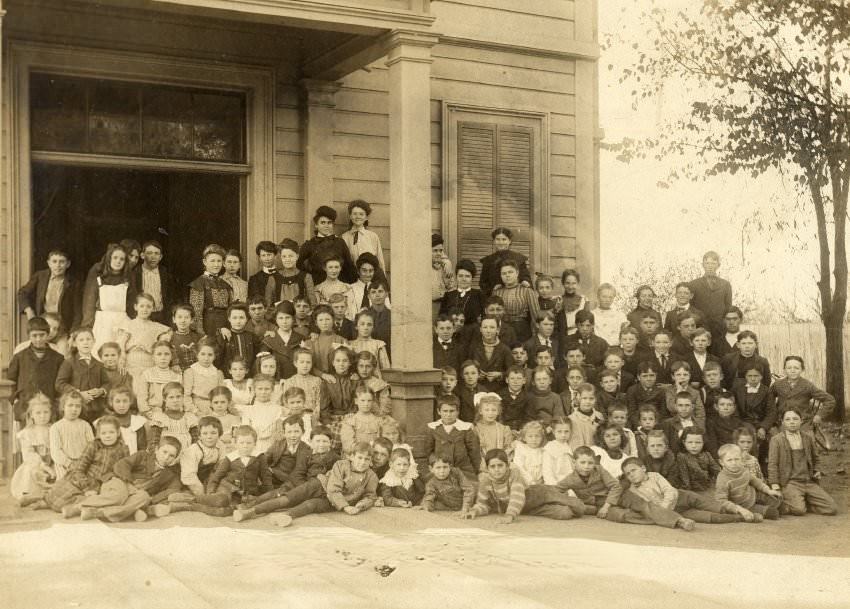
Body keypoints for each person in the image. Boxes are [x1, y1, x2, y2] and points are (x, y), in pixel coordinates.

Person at [232, 441, 378, 526]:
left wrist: (360, 505)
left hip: (333, 502)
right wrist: (346, 507)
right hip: (320, 485)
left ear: (371, 461)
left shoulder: (371, 476)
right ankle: (249, 512)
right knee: (288, 498)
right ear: (351, 457)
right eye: (359, 458)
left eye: (366, 459)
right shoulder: (341, 465)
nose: (362, 462)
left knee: (310, 506)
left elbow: (371, 496)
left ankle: (287, 516)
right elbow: (333, 488)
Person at [77, 436, 181, 523]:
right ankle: (79, 506)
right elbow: (122, 464)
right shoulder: (143, 455)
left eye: (171, 456)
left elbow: (172, 489)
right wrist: (129, 483)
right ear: (157, 449)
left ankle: (99, 512)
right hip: (120, 481)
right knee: (119, 496)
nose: (166, 457)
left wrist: (152, 499)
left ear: (175, 458)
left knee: (144, 498)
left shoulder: (170, 474)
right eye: (164, 452)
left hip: (136, 493)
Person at [41, 416, 128, 517]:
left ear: (118, 433)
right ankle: (40, 500)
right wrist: (87, 488)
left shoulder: (123, 449)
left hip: (102, 484)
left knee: (101, 499)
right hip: (83, 479)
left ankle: (73, 507)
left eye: (111, 432)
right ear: (98, 434)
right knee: (56, 499)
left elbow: (124, 468)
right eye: (104, 433)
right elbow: (79, 468)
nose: (108, 436)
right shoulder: (94, 446)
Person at [464, 449, 581, 523]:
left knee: (578, 507)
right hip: (526, 508)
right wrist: (474, 511)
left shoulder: (514, 474)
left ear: (507, 465)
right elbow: (483, 504)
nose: (497, 470)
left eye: (500, 465)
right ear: (487, 468)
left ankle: (591, 506)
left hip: (539, 494)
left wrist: (509, 515)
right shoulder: (486, 480)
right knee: (564, 513)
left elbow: (517, 497)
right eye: (492, 467)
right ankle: (586, 507)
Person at [768, 409, 838, 516]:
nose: (792, 422)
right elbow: (772, 464)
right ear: (782, 422)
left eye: (795, 419)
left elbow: (816, 458)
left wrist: (817, 470)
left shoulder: (807, 438)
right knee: (799, 510)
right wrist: (775, 485)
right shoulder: (776, 440)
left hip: (807, 481)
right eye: (788, 419)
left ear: (801, 421)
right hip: (790, 482)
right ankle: (797, 501)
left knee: (831, 508)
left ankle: (804, 500)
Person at [201, 425, 273, 515]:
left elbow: (266, 477)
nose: (245, 446)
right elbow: (217, 477)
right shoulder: (231, 458)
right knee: (221, 502)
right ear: (235, 443)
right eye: (241, 443)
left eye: (249, 443)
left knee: (230, 510)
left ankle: (197, 506)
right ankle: (192, 502)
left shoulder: (259, 457)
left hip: (248, 493)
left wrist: (269, 494)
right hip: (229, 488)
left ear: (255, 443)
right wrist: (211, 492)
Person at [8, 317, 65, 422]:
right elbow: (11, 380)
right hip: (25, 405)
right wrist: (15, 400)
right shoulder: (19, 357)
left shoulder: (58, 358)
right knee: (26, 435)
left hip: (49, 406)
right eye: (34, 336)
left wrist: (58, 401)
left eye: (42, 335)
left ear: (47, 334)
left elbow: (61, 381)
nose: (38, 339)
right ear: (29, 336)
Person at [81, 243, 134, 355]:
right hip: (103, 321)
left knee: (121, 352)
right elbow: (89, 303)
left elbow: (132, 304)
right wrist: (87, 327)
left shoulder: (127, 279)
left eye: (122, 259)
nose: (118, 261)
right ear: (109, 258)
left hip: (122, 320)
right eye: (115, 258)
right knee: (101, 351)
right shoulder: (99, 278)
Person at [18, 249, 81, 335]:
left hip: (62, 327)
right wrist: (29, 311)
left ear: (68, 264)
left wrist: (73, 332)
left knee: (62, 347)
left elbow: (77, 311)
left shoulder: (74, 283)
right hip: (42, 324)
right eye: (54, 261)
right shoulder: (40, 276)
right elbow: (22, 293)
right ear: (49, 263)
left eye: (62, 262)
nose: (58, 265)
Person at [55, 328, 110, 423]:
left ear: (94, 341)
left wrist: (101, 391)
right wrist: (79, 394)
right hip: (76, 409)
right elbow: (60, 384)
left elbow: (107, 383)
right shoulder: (69, 363)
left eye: (88, 339)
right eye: (81, 340)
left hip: (96, 411)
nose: (86, 343)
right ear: (75, 343)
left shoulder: (99, 364)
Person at [715, 444, 782, 520]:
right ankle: (764, 511)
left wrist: (768, 490)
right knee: (773, 513)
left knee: (777, 498)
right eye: (729, 460)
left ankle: (780, 507)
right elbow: (721, 500)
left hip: (755, 495)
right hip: (745, 505)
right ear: (722, 462)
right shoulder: (723, 479)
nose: (734, 463)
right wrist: (738, 509)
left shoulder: (743, 469)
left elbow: (755, 481)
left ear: (741, 459)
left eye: (737, 459)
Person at [768, 355, 834, 432]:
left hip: (803, 422)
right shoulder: (778, 384)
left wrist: (819, 415)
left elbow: (830, 400)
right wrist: (773, 414)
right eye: (789, 368)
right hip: (781, 421)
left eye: (796, 368)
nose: (793, 371)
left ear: (802, 370)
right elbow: (768, 399)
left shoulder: (807, 385)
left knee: (805, 439)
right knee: (777, 439)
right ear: (784, 370)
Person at [116, 293, 171, 380]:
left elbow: (163, 343)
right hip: (132, 360)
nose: (145, 309)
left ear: (152, 308)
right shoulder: (128, 324)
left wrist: (164, 340)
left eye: (148, 307)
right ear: (135, 307)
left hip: (149, 360)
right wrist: (122, 358)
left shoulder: (157, 327)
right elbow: (121, 344)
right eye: (142, 306)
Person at [11, 393, 55, 501]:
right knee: (32, 472)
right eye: (38, 412)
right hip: (36, 464)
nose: (42, 416)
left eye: (46, 412)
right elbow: (29, 454)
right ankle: (31, 495)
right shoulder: (27, 433)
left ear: (50, 413)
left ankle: (48, 495)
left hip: (53, 462)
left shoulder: (54, 429)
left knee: (59, 474)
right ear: (31, 414)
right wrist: (44, 466)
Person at [297, 205, 357, 285]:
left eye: (329, 223)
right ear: (316, 225)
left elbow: (349, 266)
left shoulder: (340, 242)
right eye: (323, 223)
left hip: (338, 286)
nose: (326, 226)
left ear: (333, 224)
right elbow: (299, 265)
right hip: (317, 285)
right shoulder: (309, 244)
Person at [425, 395, 479, 480]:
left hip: (463, 469)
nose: (448, 414)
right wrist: (436, 464)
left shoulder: (465, 428)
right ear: (439, 411)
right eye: (445, 411)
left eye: (452, 411)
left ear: (457, 411)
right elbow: (429, 451)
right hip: (441, 471)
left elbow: (474, 452)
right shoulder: (433, 428)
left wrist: (476, 470)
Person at [188, 244, 233, 337]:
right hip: (208, 326)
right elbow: (196, 312)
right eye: (212, 261)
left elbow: (231, 308)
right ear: (205, 261)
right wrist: (200, 333)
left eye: (219, 261)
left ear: (223, 262)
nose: (216, 265)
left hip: (226, 325)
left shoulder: (226, 284)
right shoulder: (198, 283)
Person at [176, 416, 226, 498]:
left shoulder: (220, 445)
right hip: (189, 481)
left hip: (208, 479)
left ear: (219, 434)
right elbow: (189, 476)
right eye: (205, 433)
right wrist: (204, 495)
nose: (209, 437)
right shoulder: (193, 451)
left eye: (213, 433)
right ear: (199, 436)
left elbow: (221, 466)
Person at [48, 391, 94, 480]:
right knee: (66, 482)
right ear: (63, 407)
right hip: (64, 463)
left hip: (84, 462)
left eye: (78, 406)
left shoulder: (85, 425)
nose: (74, 409)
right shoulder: (56, 427)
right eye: (70, 405)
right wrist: (69, 463)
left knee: (88, 480)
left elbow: (92, 446)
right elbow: (56, 451)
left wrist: (84, 462)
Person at [493, 260, 540, 343]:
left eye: (510, 272)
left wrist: (536, 336)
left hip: (522, 331)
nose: (507, 275)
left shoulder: (527, 291)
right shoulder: (497, 292)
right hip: (502, 332)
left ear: (517, 273)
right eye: (504, 273)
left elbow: (536, 316)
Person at [129, 241, 176, 325]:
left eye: (156, 253)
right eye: (149, 253)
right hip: (140, 316)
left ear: (161, 257)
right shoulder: (135, 273)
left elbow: (171, 297)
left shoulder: (165, 273)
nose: (153, 256)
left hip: (161, 316)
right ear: (142, 255)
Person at [478, 227, 531, 299]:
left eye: (504, 239)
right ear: (494, 241)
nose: (501, 242)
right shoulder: (488, 260)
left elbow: (525, 276)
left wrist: (525, 281)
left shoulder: (518, 258)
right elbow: (483, 282)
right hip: (496, 297)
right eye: (498, 239)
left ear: (509, 241)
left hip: (516, 297)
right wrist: (493, 289)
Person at [688, 251, 733, 336]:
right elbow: (690, 307)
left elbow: (728, 307)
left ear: (718, 265)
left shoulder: (726, 284)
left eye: (713, 263)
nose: (710, 266)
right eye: (707, 263)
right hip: (700, 328)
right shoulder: (693, 284)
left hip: (719, 329)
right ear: (703, 265)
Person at [133, 341, 181, 418]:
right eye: (159, 354)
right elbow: (142, 397)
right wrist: (147, 411)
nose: (163, 358)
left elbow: (181, 396)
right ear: (153, 357)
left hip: (172, 411)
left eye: (167, 354)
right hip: (152, 411)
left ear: (171, 356)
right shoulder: (147, 374)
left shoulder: (176, 376)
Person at [148, 382, 200, 453]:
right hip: (166, 456)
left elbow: (196, 440)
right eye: (171, 397)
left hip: (187, 455)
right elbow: (154, 442)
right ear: (165, 399)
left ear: (183, 397)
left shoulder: (189, 418)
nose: (175, 400)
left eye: (178, 396)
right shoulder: (160, 418)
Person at [265, 414, 311, 490]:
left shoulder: (306, 449)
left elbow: (301, 472)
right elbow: (265, 459)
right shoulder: (278, 444)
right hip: (274, 476)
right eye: (289, 432)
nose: (293, 435)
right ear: (284, 433)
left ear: (303, 432)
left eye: (296, 431)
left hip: (291, 481)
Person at [467, 316, 513, 392]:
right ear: (480, 329)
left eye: (492, 327)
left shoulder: (505, 349)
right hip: (477, 389)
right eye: (485, 327)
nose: (488, 331)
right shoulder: (473, 348)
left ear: (497, 330)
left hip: (499, 390)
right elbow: (467, 366)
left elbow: (511, 371)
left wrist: (500, 375)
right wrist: (476, 374)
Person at [216, 303, 264, 373]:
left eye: (241, 317)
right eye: (234, 318)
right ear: (229, 319)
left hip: (249, 375)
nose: (238, 321)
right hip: (229, 376)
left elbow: (257, 358)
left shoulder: (252, 337)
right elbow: (218, 360)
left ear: (246, 319)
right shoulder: (223, 337)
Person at [243, 375, 285, 453]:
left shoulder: (278, 409)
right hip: (253, 447)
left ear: (272, 390)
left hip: (273, 447)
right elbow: (246, 433)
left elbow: (279, 432)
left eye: (267, 389)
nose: (263, 392)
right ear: (254, 390)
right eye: (260, 389)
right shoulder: (248, 410)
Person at [473, 392, 514, 470]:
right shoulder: (476, 429)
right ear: (480, 411)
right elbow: (475, 451)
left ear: (498, 412)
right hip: (483, 466)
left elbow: (508, 449)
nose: (490, 413)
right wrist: (485, 465)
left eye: (493, 410)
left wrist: (501, 464)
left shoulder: (504, 429)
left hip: (501, 464)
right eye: (487, 410)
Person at [341, 199, 386, 271]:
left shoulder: (373, 236)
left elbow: (380, 262)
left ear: (366, 217)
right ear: (350, 216)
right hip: (352, 279)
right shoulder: (344, 237)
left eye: (361, 214)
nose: (358, 216)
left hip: (370, 278)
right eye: (355, 214)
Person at [183, 340, 224, 416]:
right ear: (197, 354)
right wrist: (195, 411)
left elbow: (221, 395)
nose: (206, 358)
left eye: (210, 355)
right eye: (203, 354)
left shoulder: (218, 373)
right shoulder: (190, 372)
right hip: (195, 408)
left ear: (215, 356)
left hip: (214, 408)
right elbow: (186, 395)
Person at [103, 386, 147, 455]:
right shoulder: (106, 422)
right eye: (117, 401)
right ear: (111, 402)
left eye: (125, 401)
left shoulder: (137, 422)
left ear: (130, 402)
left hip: (134, 460)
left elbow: (142, 447)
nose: (122, 405)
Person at [440, 259, 483, 326]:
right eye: (460, 276)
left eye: (467, 276)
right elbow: (442, 318)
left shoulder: (479, 295)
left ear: (472, 278)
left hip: (472, 333)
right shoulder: (448, 296)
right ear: (456, 276)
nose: (464, 279)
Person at [346, 311, 391, 375]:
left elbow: (387, 370)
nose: (366, 327)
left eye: (369, 324)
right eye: (362, 324)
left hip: (375, 381)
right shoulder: (349, 345)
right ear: (356, 326)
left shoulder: (379, 345)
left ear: (373, 327)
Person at [663, 361, 706, 427]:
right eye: (678, 375)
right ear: (673, 377)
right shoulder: (669, 391)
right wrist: (679, 391)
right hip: (675, 425)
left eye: (685, 374)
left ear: (689, 376)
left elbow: (700, 413)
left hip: (691, 424)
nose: (682, 377)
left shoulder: (695, 393)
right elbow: (671, 408)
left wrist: (697, 427)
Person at [705, 391, 747, 456]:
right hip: (720, 455)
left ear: (734, 407)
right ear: (716, 407)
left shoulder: (738, 423)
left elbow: (741, 442)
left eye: (729, 405)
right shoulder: (711, 422)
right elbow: (712, 445)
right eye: (722, 404)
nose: (726, 408)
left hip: (736, 454)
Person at [349, 253, 391, 318]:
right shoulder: (350, 289)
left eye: (371, 271)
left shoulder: (381, 290)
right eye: (364, 270)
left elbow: (388, 313)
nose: (368, 274)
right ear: (358, 271)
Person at [568, 383, 604, 450]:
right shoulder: (572, 419)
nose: (588, 401)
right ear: (578, 397)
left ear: (595, 399)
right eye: (584, 398)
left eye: (591, 398)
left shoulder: (599, 416)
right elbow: (573, 443)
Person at [512, 420, 546, 485]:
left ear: (542, 438)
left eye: (537, 436)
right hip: (524, 480)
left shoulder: (543, 451)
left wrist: (541, 479)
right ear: (524, 438)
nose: (534, 439)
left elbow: (545, 468)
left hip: (539, 482)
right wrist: (530, 480)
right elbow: (519, 466)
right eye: (530, 436)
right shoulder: (521, 449)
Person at [169, 304, 202, 372]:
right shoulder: (170, 338)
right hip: (177, 373)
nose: (183, 320)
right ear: (174, 319)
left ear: (192, 320)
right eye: (179, 317)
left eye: (186, 317)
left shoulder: (199, 337)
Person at [542, 417, 575, 485]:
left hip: (570, 482)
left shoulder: (568, 447)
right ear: (554, 432)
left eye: (566, 431)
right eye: (559, 431)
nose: (563, 435)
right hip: (556, 483)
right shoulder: (550, 448)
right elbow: (547, 472)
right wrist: (555, 486)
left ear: (570, 431)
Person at [431, 233, 456, 317]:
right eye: (435, 250)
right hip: (428, 305)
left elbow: (451, 288)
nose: (438, 253)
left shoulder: (446, 266)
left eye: (440, 250)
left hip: (443, 306)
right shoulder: (423, 266)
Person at [499, 365, 530, 431]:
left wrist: (521, 430)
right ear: (507, 380)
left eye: (519, 378)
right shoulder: (499, 395)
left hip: (522, 431)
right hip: (503, 430)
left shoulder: (529, 397)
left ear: (524, 380)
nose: (515, 382)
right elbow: (499, 417)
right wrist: (505, 430)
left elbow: (529, 418)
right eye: (512, 378)